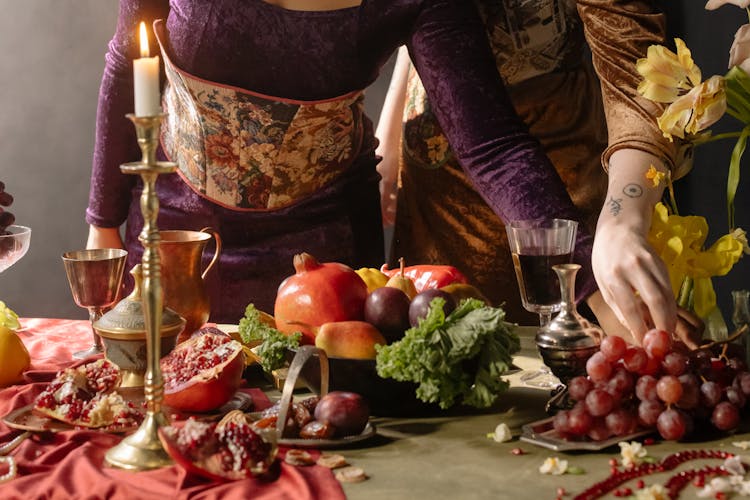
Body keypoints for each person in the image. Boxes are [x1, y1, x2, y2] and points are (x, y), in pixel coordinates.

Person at [86, 0, 631, 335]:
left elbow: (492, 146)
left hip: (331, 266)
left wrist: (591, 286)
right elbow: (124, 60)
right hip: (175, 242)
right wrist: (102, 225)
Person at [376, 0, 702, 345]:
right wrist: (392, 126)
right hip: (438, 177)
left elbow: (634, 70)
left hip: (557, 173)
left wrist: (623, 218)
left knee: (567, 348)